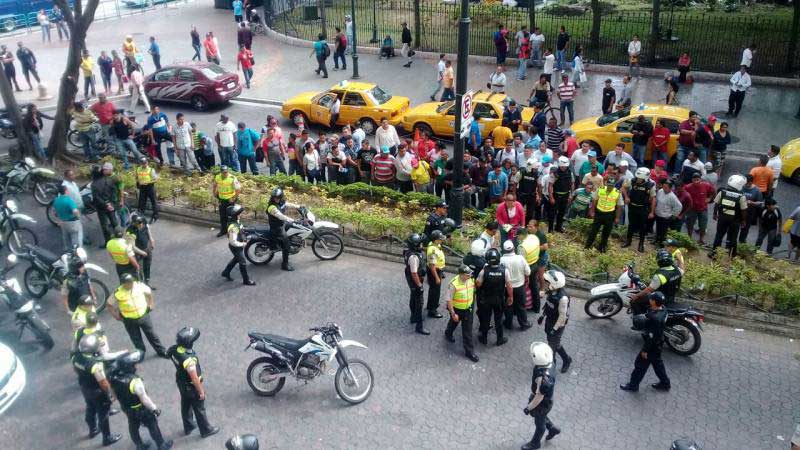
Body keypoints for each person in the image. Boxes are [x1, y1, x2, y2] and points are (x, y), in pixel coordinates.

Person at [107, 351, 173, 450]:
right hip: (140, 409)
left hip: (127, 408)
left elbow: (113, 394)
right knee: (152, 425)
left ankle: (139, 445)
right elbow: (144, 398)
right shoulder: (135, 382)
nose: (135, 366)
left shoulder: (114, 378)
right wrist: (154, 408)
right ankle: (161, 445)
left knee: (133, 426)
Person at [166, 327, 220, 438]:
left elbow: (167, 353)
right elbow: (194, 378)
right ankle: (206, 430)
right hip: (191, 387)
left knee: (185, 404)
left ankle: (189, 425)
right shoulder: (189, 360)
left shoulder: (175, 349)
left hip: (181, 382)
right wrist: (201, 392)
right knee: (199, 408)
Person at [71, 335, 122, 446]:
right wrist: (110, 394)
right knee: (103, 415)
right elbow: (103, 382)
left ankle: (93, 429)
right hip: (97, 392)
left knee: (90, 408)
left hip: (85, 387)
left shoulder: (76, 356)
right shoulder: (95, 365)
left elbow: (75, 369)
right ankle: (107, 438)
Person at [620, 292, 671, 393]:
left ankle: (633, 385)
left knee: (640, 364)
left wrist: (645, 350)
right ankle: (665, 383)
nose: (649, 299)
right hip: (659, 342)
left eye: (651, 299)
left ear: (654, 302)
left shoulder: (655, 318)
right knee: (657, 363)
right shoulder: (664, 309)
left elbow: (652, 337)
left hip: (652, 345)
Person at [107, 274, 167, 357]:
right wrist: (115, 315)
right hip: (129, 320)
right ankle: (140, 354)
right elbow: (109, 304)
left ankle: (161, 351)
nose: (131, 284)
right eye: (128, 283)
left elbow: (149, 292)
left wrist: (151, 303)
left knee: (152, 335)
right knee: (136, 338)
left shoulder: (139, 286)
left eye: (131, 282)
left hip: (143, 316)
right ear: (123, 284)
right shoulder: (118, 292)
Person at [522, 342, 561, 450]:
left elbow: (539, 397)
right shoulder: (551, 364)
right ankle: (552, 428)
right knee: (542, 417)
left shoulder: (542, 378)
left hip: (542, 404)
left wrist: (529, 407)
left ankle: (535, 443)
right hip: (548, 400)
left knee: (539, 425)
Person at [476, 248, 512, 346]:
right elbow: (509, 286)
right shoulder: (505, 271)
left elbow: (478, 284)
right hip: (499, 300)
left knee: (485, 319)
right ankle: (499, 339)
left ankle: (484, 338)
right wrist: (510, 297)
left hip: (486, 300)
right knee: (498, 320)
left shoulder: (484, 271)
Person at [444, 264, 479, 362]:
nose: (470, 276)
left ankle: (469, 352)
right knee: (454, 322)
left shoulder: (470, 279)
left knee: (467, 331)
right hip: (457, 310)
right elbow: (449, 300)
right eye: (468, 274)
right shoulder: (453, 284)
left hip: (468, 310)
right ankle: (448, 333)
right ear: (461, 275)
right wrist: (453, 313)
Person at [539, 270, 572, 373]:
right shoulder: (552, 291)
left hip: (557, 325)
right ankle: (567, 359)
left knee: (552, 347)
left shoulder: (563, 298)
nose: (546, 283)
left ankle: (551, 368)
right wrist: (543, 315)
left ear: (554, 284)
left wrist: (554, 329)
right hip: (550, 320)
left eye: (547, 282)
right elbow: (549, 305)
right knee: (553, 343)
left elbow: (562, 316)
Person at [712, 174, 748, 258]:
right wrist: (743, 220)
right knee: (733, 238)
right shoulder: (741, 197)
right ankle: (732, 255)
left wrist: (714, 214)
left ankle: (714, 253)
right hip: (735, 220)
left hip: (722, 218)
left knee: (719, 235)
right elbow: (743, 210)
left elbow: (716, 204)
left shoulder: (722, 192)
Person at [622, 168, 656, 252]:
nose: (638, 179)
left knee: (642, 227)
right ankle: (628, 241)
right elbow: (623, 188)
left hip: (643, 208)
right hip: (632, 207)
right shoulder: (631, 180)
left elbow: (653, 199)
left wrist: (652, 212)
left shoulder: (650, 185)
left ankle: (641, 244)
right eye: (638, 177)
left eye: (640, 178)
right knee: (631, 225)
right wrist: (626, 197)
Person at [500, 239, 531, 331]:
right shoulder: (520, 258)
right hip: (519, 287)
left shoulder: (501, 260)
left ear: (503, 249)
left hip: (506, 288)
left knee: (508, 305)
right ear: (513, 248)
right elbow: (528, 272)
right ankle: (524, 324)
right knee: (521, 306)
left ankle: (508, 323)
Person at [585, 177, 622, 253]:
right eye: (608, 185)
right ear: (606, 183)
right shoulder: (600, 189)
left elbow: (619, 206)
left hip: (609, 214)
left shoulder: (617, 192)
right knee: (594, 230)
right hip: (599, 213)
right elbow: (594, 200)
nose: (610, 187)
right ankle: (587, 246)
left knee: (606, 232)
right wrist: (592, 211)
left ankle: (602, 248)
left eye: (611, 185)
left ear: (614, 185)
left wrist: (617, 218)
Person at [267, 188, 300, 272]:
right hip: (277, 228)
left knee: (294, 227)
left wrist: (299, 207)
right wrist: (292, 220)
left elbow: (288, 204)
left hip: (282, 224)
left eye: (278, 197)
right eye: (274, 197)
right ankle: (285, 264)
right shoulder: (271, 207)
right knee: (286, 245)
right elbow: (280, 216)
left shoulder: (281, 202)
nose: (276, 199)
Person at [404, 233, 429, 335]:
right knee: (419, 302)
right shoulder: (414, 257)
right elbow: (414, 273)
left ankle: (413, 317)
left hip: (412, 279)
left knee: (413, 297)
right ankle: (419, 326)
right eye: (420, 243)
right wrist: (419, 285)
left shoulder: (409, 252)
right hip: (415, 280)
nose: (422, 245)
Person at [92, 162, 122, 245]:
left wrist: (106, 204)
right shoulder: (109, 180)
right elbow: (114, 193)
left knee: (104, 225)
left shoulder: (94, 184)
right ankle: (119, 236)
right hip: (111, 205)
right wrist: (111, 204)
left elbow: (96, 198)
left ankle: (108, 241)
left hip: (101, 207)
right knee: (114, 221)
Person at [683, 172, 715, 245]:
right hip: (692, 209)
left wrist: (710, 198)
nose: (696, 182)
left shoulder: (706, 185)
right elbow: (683, 194)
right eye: (694, 180)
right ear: (692, 180)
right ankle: (689, 238)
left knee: (703, 225)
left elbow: (713, 191)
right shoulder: (688, 187)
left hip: (703, 209)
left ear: (700, 179)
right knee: (690, 224)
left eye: (698, 180)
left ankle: (701, 240)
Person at [212, 165, 241, 236]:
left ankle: (234, 231)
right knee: (222, 216)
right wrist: (214, 192)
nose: (225, 173)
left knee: (232, 217)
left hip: (230, 200)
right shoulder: (218, 177)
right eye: (224, 172)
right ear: (221, 172)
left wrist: (234, 198)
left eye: (226, 172)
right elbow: (215, 185)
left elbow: (238, 189)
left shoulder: (232, 178)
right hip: (221, 199)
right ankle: (223, 230)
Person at [128, 213, 155, 286]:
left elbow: (148, 231)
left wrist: (151, 240)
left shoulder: (144, 223)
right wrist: (142, 253)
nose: (140, 226)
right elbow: (132, 246)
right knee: (138, 268)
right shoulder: (130, 231)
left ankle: (147, 282)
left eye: (141, 224)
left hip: (147, 248)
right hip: (138, 252)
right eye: (138, 225)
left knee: (147, 265)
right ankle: (141, 284)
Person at [54, 184, 83, 251]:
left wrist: (59, 220)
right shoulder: (69, 200)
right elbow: (75, 211)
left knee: (65, 237)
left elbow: (55, 212)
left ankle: (67, 251)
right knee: (76, 237)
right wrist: (78, 216)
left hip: (63, 222)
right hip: (73, 222)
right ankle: (77, 251)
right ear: (66, 191)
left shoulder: (56, 200)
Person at [654, 179, 682, 246]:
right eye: (663, 187)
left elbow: (679, 206)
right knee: (658, 229)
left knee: (663, 232)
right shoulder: (660, 191)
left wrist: (674, 215)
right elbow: (657, 200)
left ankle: (661, 244)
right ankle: (657, 240)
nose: (664, 189)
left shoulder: (672, 197)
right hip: (658, 214)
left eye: (666, 188)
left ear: (670, 188)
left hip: (665, 217)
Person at [551, 156, 572, 232]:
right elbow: (550, 185)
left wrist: (570, 194)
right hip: (556, 195)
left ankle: (558, 227)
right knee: (553, 212)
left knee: (562, 212)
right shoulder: (555, 173)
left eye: (565, 166)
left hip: (565, 195)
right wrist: (551, 197)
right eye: (562, 166)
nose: (564, 168)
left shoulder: (569, 172)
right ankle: (551, 228)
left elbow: (571, 183)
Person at [134, 157, 159, 223]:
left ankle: (155, 216)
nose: (144, 164)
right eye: (143, 163)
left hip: (150, 187)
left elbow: (156, 179)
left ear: (147, 163)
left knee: (153, 202)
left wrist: (147, 182)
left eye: (145, 163)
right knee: (141, 202)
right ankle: (140, 216)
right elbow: (136, 177)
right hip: (142, 188)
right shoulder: (138, 169)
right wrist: (138, 181)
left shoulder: (151, 170)